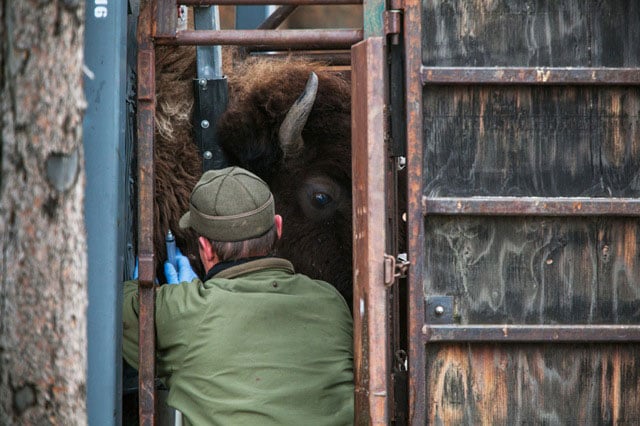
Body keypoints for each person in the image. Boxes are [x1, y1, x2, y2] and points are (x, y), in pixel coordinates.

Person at [122, 166, 354, 425]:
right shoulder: (331, 303)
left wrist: (158, 290)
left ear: (205, 249)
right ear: (278, 228)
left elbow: (116, 307)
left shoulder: (184, 311)